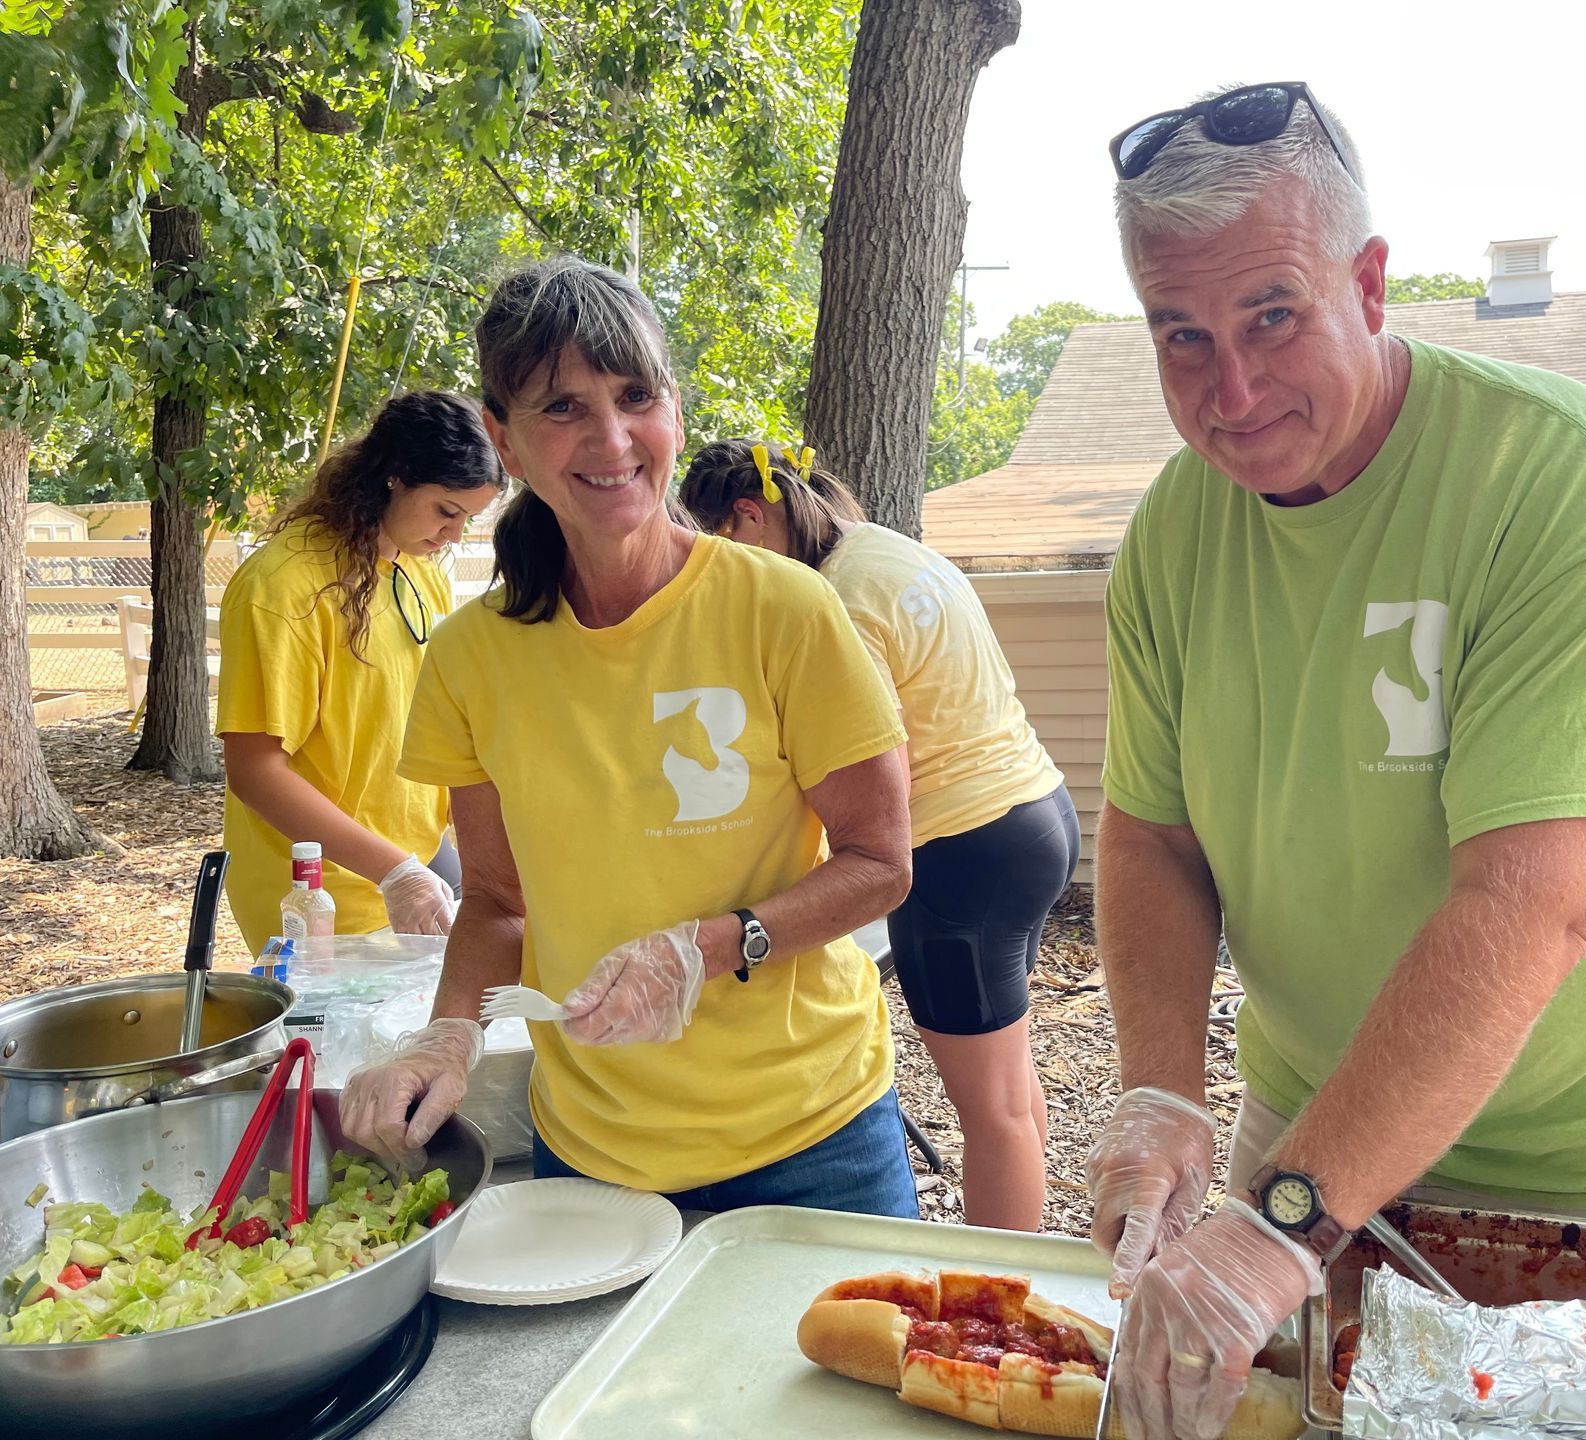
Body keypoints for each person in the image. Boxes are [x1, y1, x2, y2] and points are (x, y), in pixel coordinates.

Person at [1083, 83, 1586, 1438]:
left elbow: (1529, 906)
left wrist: (1280, 1221)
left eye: (1273, 315)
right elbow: (1151, 836)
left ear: (1372, 283)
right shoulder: (1174, 534)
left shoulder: (1556, 480)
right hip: (1311, 1123)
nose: (1234, 392)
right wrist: (1160, 1089)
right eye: (1182, 337)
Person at [339, 258, 920, 1219]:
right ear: (505, 442)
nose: (611, 439)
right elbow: (493, 898)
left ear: (674, 412)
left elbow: (880, 861)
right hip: (599, 1151)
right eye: (561, 408)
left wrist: (709, 947)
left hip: (815, 1135)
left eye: (634, 396)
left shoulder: (786, 609)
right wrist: (448, 1035)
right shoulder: (469, 659)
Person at [681, 441, 1078, 1230]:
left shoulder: (834, 603)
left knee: (988, 1113)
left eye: (717, 550)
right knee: (1008, 1082)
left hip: (959, 856)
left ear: (750, 518)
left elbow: (877, 789)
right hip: (1037, 814)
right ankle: (1026, 1268)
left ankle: (997, 1314)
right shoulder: (882, 549)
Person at [219, 391, 504, 957]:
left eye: (468, 519)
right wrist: (394, 872)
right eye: (447, 511)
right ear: (393, 476)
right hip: (317, 894)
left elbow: (433, 725)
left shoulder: (418, 572)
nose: (454, 536)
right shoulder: (282, 588)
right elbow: (253, 770)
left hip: (411, 859)